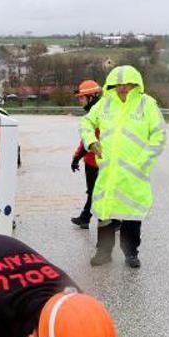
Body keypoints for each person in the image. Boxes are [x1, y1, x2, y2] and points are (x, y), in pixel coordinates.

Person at [80, 65, 166, 269]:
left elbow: (159, 135)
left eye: (127, 83)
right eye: (118, 84)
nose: (123, 88)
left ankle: (131, 253)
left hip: (134, 174)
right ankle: (103, 252)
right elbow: (86, 123)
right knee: (105, 214)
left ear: (136, 84)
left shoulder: (147, 104)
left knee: (131, 216)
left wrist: (143, 162)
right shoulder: (105, 104)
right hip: (109, 172)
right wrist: (91, 141)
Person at [70, 80, 103, 229]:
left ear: (92, 97)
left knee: (95, 191)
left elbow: (87, 142)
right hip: (97, 161)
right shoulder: (103, 111)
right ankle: (86, 217)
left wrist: (76, 158)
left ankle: (89, 217)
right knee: (95, 191)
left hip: (94, 162)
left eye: (82, 98)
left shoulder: (95, 115)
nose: (80, 101)